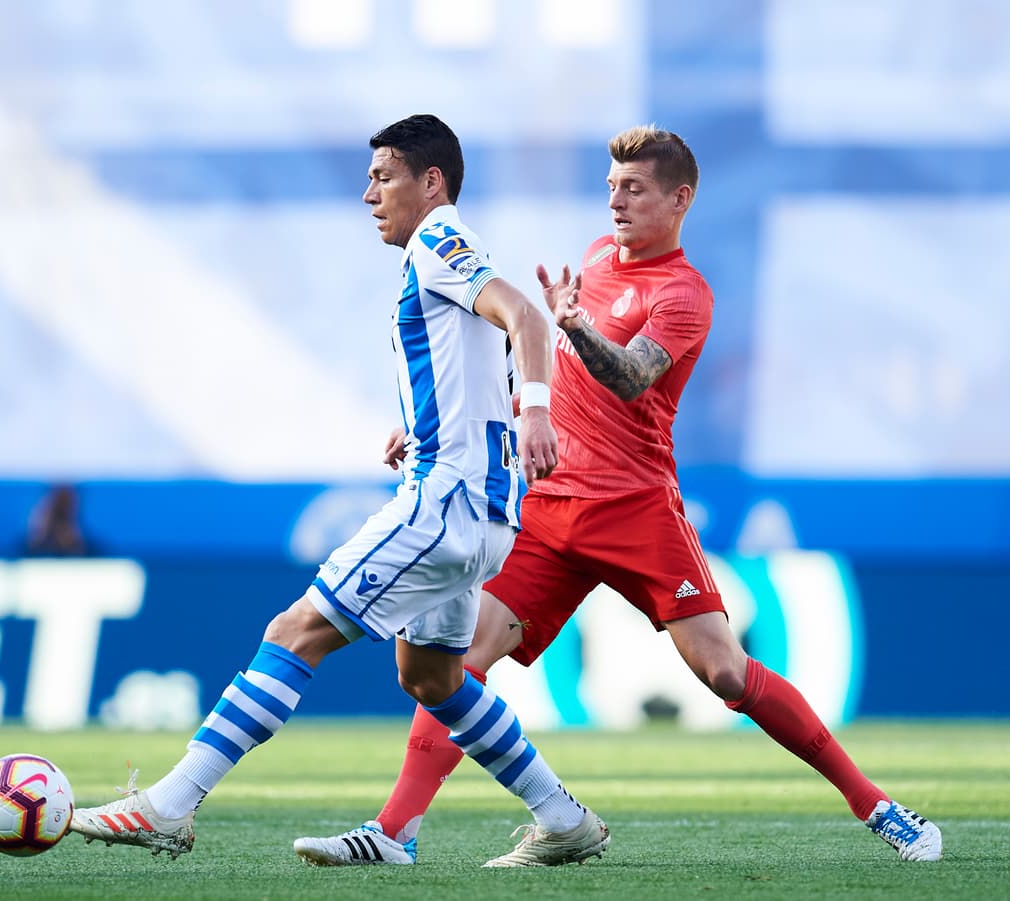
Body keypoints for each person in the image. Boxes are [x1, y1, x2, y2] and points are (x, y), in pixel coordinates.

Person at [293, 125, 943, 866]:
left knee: (725, 672)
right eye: (611, 188)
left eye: (634, 189)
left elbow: (632, 375)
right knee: (459, 661)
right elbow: (541, 372)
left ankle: (878, 806)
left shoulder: (685, 294)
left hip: (635, 507)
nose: (617, 203)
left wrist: (572, 324)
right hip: (548, 505)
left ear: (681, 198)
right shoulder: (599, 260)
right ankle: (395, 831)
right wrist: (448, 422)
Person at [68, 114, 610, 868]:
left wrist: (538, 414)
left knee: (295, 630)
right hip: (484, 515)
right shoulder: (446, 254)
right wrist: (420, 427)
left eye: (383, 176)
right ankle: (562, 816)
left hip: (443, 503)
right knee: (431, 675)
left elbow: (524, 316)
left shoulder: (441, 241)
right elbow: (486, 360)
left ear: (431, 183)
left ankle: (169, 803)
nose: (368, 194)